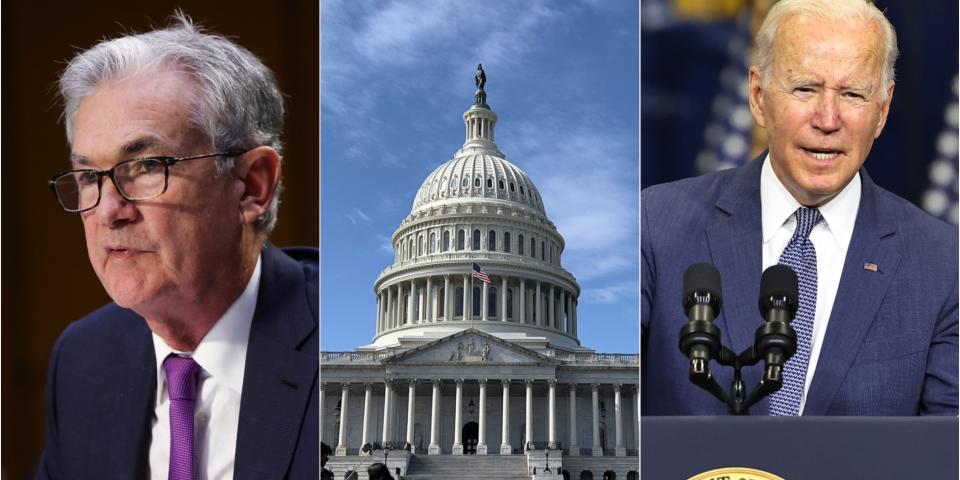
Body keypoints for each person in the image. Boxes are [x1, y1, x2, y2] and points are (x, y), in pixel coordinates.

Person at [35, 12, 318, 479]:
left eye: (146, 166)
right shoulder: (83, 359)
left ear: (252, 185)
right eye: (89, 177)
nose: (109, 210)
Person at [641, 0, 958, 415]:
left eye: (853, 93)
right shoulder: (655, 224)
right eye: (805, 88)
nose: (827, 119)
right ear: (758, 97)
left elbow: (947, 454)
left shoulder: (943, 261)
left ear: (882, 111)